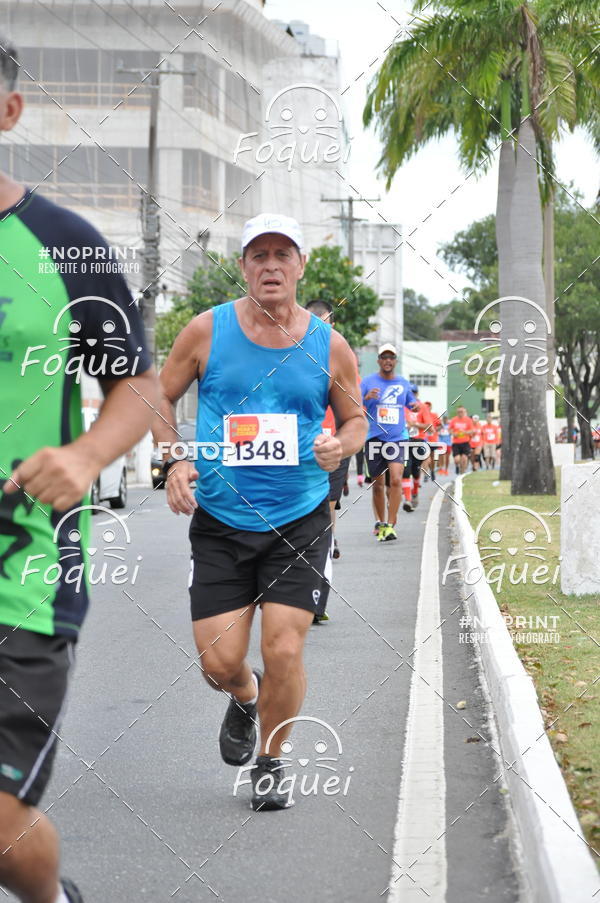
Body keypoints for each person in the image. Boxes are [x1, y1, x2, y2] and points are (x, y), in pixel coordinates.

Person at [0, 37, 158, 903]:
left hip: (21, 576)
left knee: (3, 832)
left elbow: (138, 382)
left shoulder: (65, 245)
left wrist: (90, 452)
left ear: (9, 112)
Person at [153, 213, 366, 811]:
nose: (271, 266)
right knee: (220, 663)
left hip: (299, 518)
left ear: (300, 266)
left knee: (285, 649)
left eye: (283, 255)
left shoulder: (330, 345)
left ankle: (271, 762)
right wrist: (174, 461)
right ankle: (244, 698)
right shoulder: (206, 331)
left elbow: (355, 420)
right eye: (258, 255)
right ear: (244, 266)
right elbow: (160, 394)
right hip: (221, 519)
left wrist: (340, 446)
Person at [361, 344, 418, 537]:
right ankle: (380, 520)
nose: (387, 360)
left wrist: (415, 406)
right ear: (378, 360)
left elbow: (411, 402)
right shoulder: (367, 382)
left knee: (395, 479)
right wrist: (366, 398)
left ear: (395, 361)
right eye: (384, 357)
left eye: (391, 357)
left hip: (397, 438)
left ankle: (391, 524)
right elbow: (354, 406)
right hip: (375, 437)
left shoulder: (403, 383)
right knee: (377, 485)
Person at [449, 406, 475, 474]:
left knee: (464, 458)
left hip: (465, 442)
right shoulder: (454, 420)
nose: (460, 413)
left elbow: (472, 430)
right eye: (459, 412)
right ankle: (457, 466)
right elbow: (450, 429)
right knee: (457, 459)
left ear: (464, 412)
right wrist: (453, 433)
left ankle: (462, 472)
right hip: (456, 442)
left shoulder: (468, 420)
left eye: (462, 412)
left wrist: (465, 432)